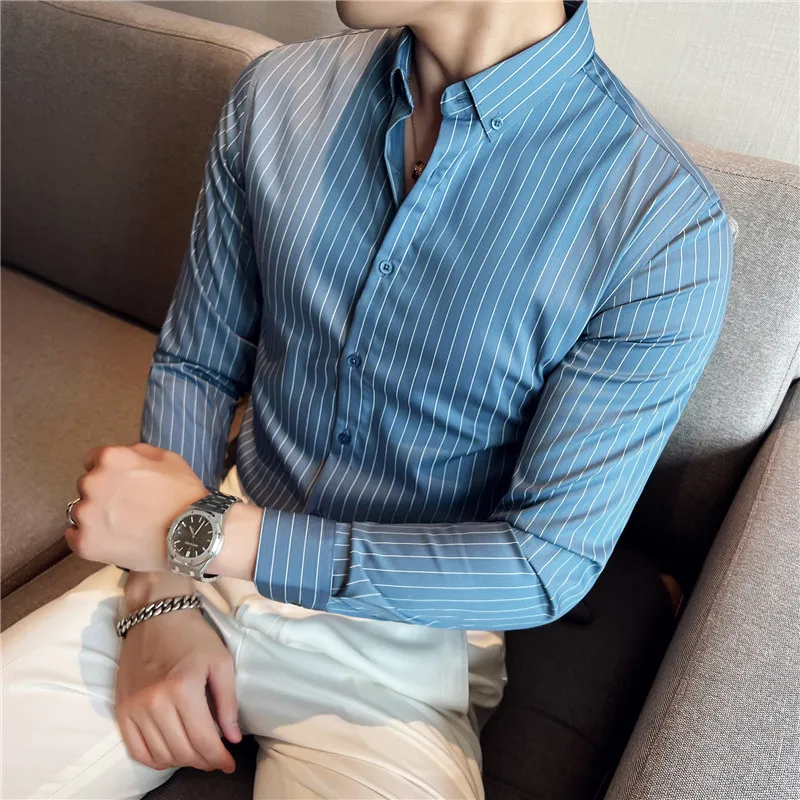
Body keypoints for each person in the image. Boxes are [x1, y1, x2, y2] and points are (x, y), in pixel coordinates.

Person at [1, 0, 733, 797]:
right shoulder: (276, 94)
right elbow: (199, 364)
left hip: (402, 645)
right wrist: (163, 591)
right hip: (200, 561)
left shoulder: (663, 227)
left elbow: (543, 562)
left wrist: (197, 537)